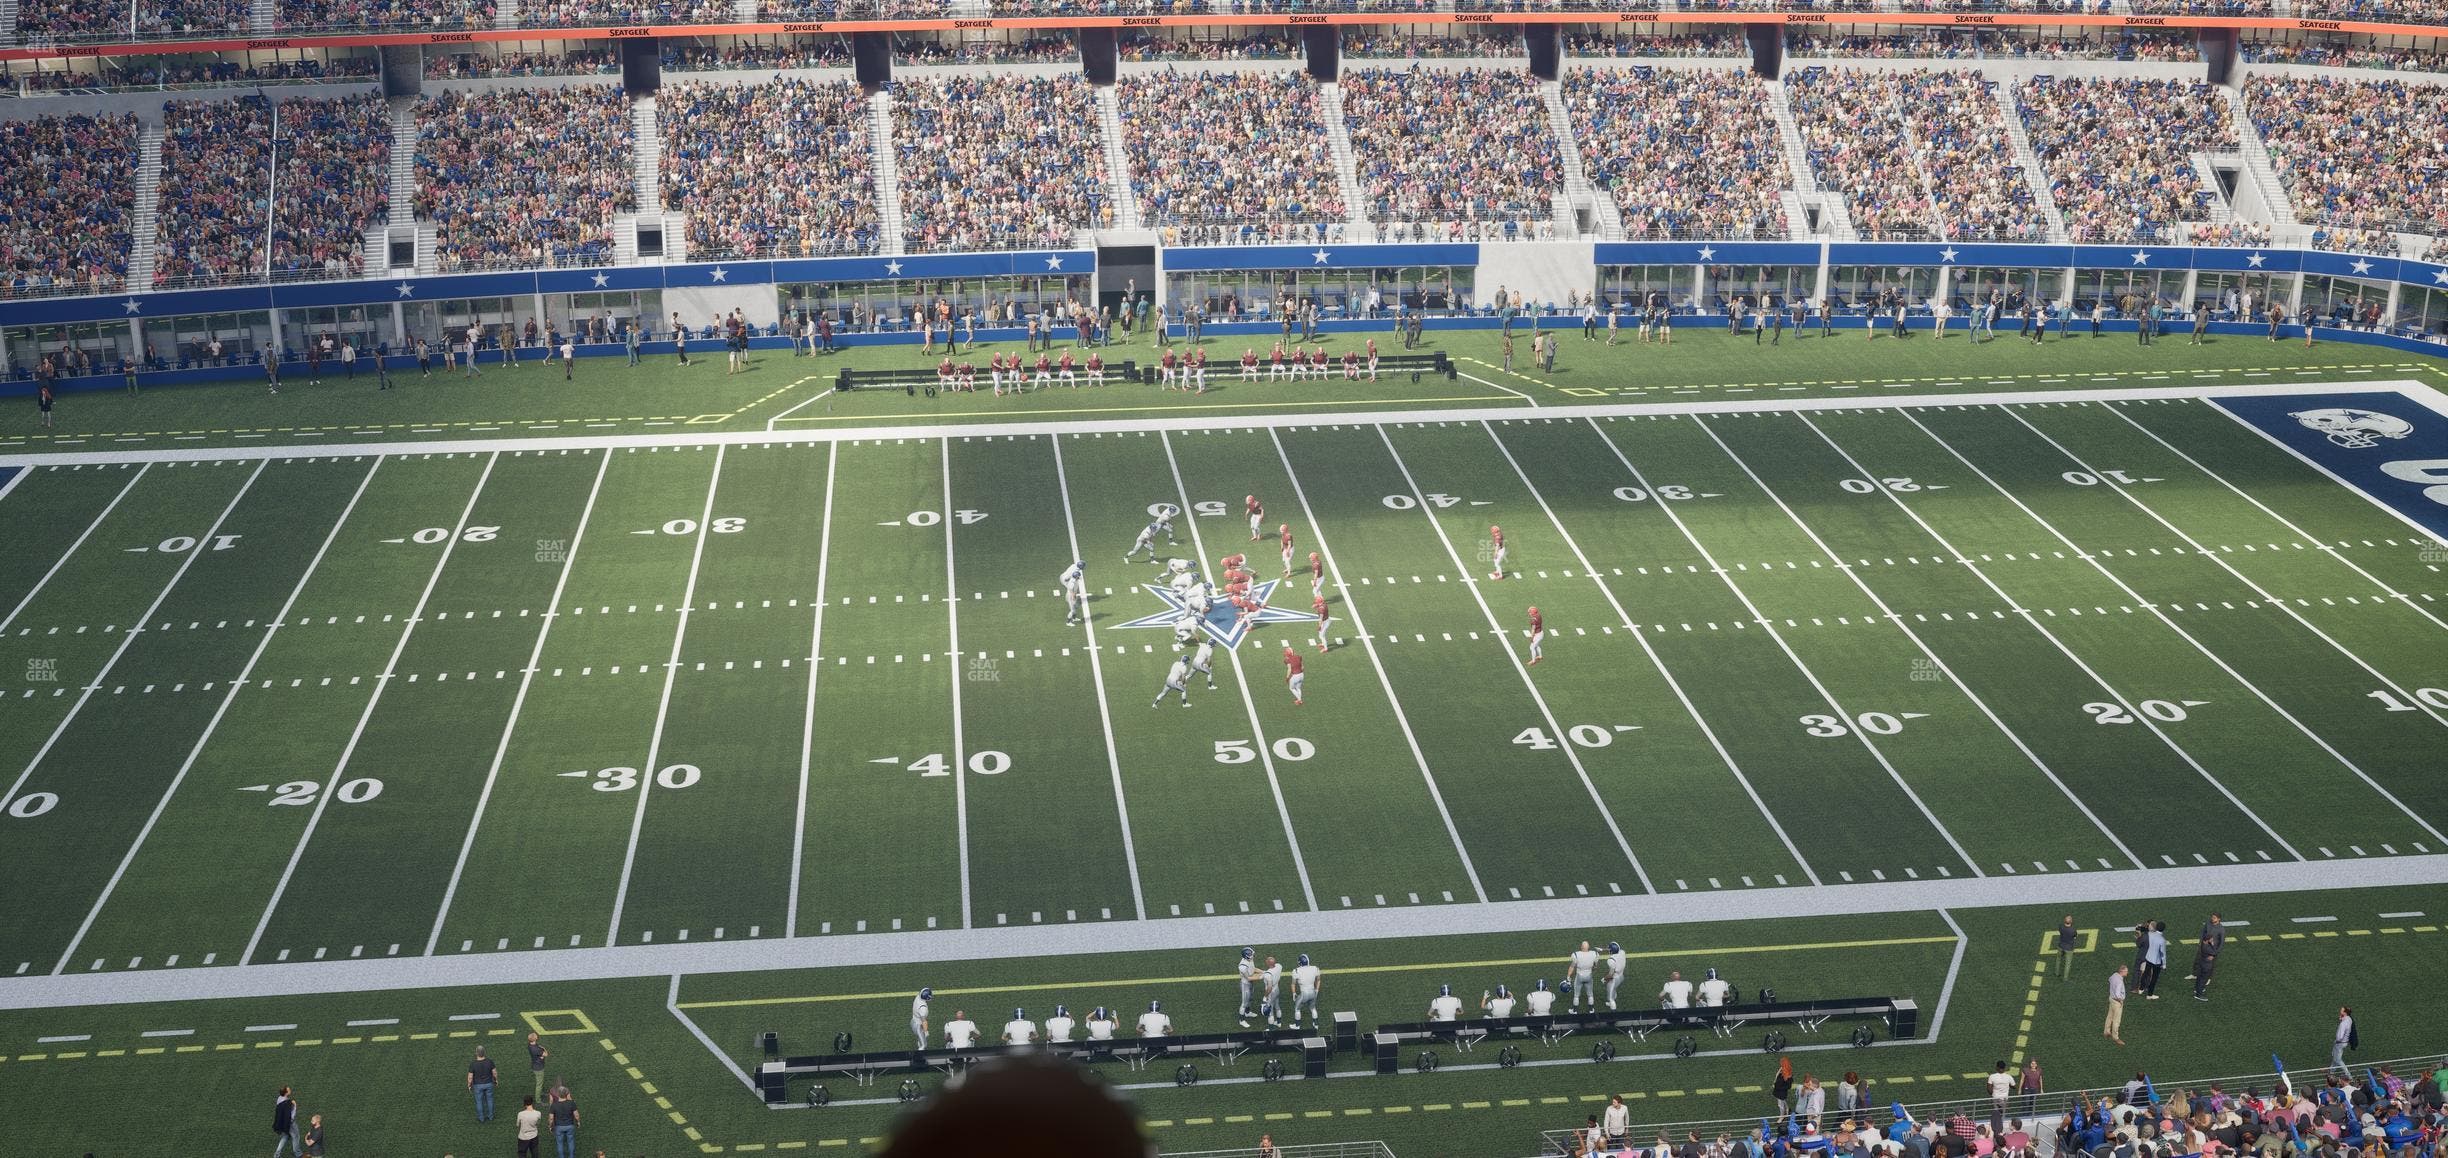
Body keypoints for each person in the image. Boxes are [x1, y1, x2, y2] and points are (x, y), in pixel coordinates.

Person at [2190, 914, 2224, 1001]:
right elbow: (2203, 933)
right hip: (2208, 957)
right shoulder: (2208, 947)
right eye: (2212, 917)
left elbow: (2221, 943)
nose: (2212, 919)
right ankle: (2199, 993)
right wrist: (2213, 953)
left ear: (2218, 919)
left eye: (2214, 917)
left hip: (2207, 954)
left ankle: (2198, 989)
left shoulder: (2220, 929)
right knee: (2203, 976)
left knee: (2201, 975)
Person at [1290, 953, 1322, 1029]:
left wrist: (1294, 993)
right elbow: (1318, 980)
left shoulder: (1296, 971)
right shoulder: (1315, 968)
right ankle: (1316, 1025)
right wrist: (1317, 990)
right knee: (1313, 1008)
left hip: (1304, 994)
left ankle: (1297, 1026)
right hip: (1313, 992)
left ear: (1299, 962)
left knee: (1297, 1009)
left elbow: (1293, 984)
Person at [547, 1083, 578, 1158]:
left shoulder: (553, 1105)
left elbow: (551, 1118)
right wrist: (578, 1122)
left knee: (560, 1143)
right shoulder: (572, 1103)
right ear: (566, 1094)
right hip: (570, 1125)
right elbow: (576, 1115)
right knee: (570, 1142)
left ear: (558, 1094)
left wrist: (550, 1126)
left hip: (559, 1127)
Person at [1568, 940, 1599, 1013]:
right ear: (1589, 947)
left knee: (1576, 995)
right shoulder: (1594, 954)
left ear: (1581, 947)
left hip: (1579, 976)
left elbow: (1572, 966)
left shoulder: (1576, 954)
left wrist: (1568, 976)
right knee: (1590, 994)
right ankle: (1591, 1010)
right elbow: (1595, 966)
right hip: (1589, 975)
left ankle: (1575, 1011)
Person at [469, 1045, 499, 1121]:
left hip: (478, 1085)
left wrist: (469, 1085)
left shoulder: (473, 1064)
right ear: (484, 1053)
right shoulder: (490, 1061)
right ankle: (491, 1116)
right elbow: (494, 1073)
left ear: (476, 1053)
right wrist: (495, 1080)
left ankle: (481, 1118)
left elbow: (470, 1077)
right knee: (490, 1100)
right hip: (489, 1083)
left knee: (479, 1102)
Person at [272, 1086, 301, 1157]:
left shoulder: (279, 1098)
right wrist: (295, 1105)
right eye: (289, 1090)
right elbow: (291, 1116)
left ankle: (277, 1154)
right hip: (289, 1123)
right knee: (296, 1136)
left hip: (282, 1123)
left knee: (285, 1137)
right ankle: (298, 1153)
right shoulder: (288, 1103)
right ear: (286, 1093)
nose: (290, 1090)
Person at [2140, 921, 2166, 998]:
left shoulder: (2150, 934)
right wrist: (2164, 964)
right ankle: (2149, 994)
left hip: (2148, 957)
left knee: (2145, 973)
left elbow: (2147, 930)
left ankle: (2141, 988)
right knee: (2154, 978)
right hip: (2156, 961)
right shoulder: (2162, 940)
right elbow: (2163, 953)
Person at [2104, 965, 2127, 1046]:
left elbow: (2109, 980)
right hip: (2117, 1002)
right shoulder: (2120, 981)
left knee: (2109, 1016)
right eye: (2126, 971)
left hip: (2111, 999)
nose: (2127, 973)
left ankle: (2106, 1032)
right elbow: (2118, 994)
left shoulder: (2114, 975)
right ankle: (2115, 1037)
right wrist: (2120, 1001)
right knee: (2116, 1020)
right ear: (2122, 972)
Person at [1602, 941, 1628, 1010]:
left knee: (1610, 997)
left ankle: (1613, 1014)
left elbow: (1610, 975)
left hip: (1615, 979)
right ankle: (1612, 999)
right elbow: (1617, 949)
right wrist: (1603, 949)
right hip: (1621, 976)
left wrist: (1604, 978)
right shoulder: (1622, 952)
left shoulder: (1611, 960)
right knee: (1613, 988)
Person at [528, 1032, 550, 1102]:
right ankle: (538, 1099)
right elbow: (546, 1054)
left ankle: (541, 1093)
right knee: (539, 1083)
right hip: (539, 1067)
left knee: (540, 1081)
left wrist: (541, 1056)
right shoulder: (536, 1049)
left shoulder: (530, 1045)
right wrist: (544, 1048)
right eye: (536, 1036)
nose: (537, 1036)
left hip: (535, 1065)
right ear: (535, 1038)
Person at [2332, 1007, 2355, 1074]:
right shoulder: (2349, 1019)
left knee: (2338, 1060)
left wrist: (2336, 1041)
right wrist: (2341, 1019)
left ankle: (2348, 1075)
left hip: (2340, 1043)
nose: (2340, 1010)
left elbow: (2340, 1037)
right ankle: (2331, 1072)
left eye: (2341, 1010)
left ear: (2345, 1012)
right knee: (2335, 1058)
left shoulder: (2343, 1024)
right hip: (2345, 1042)